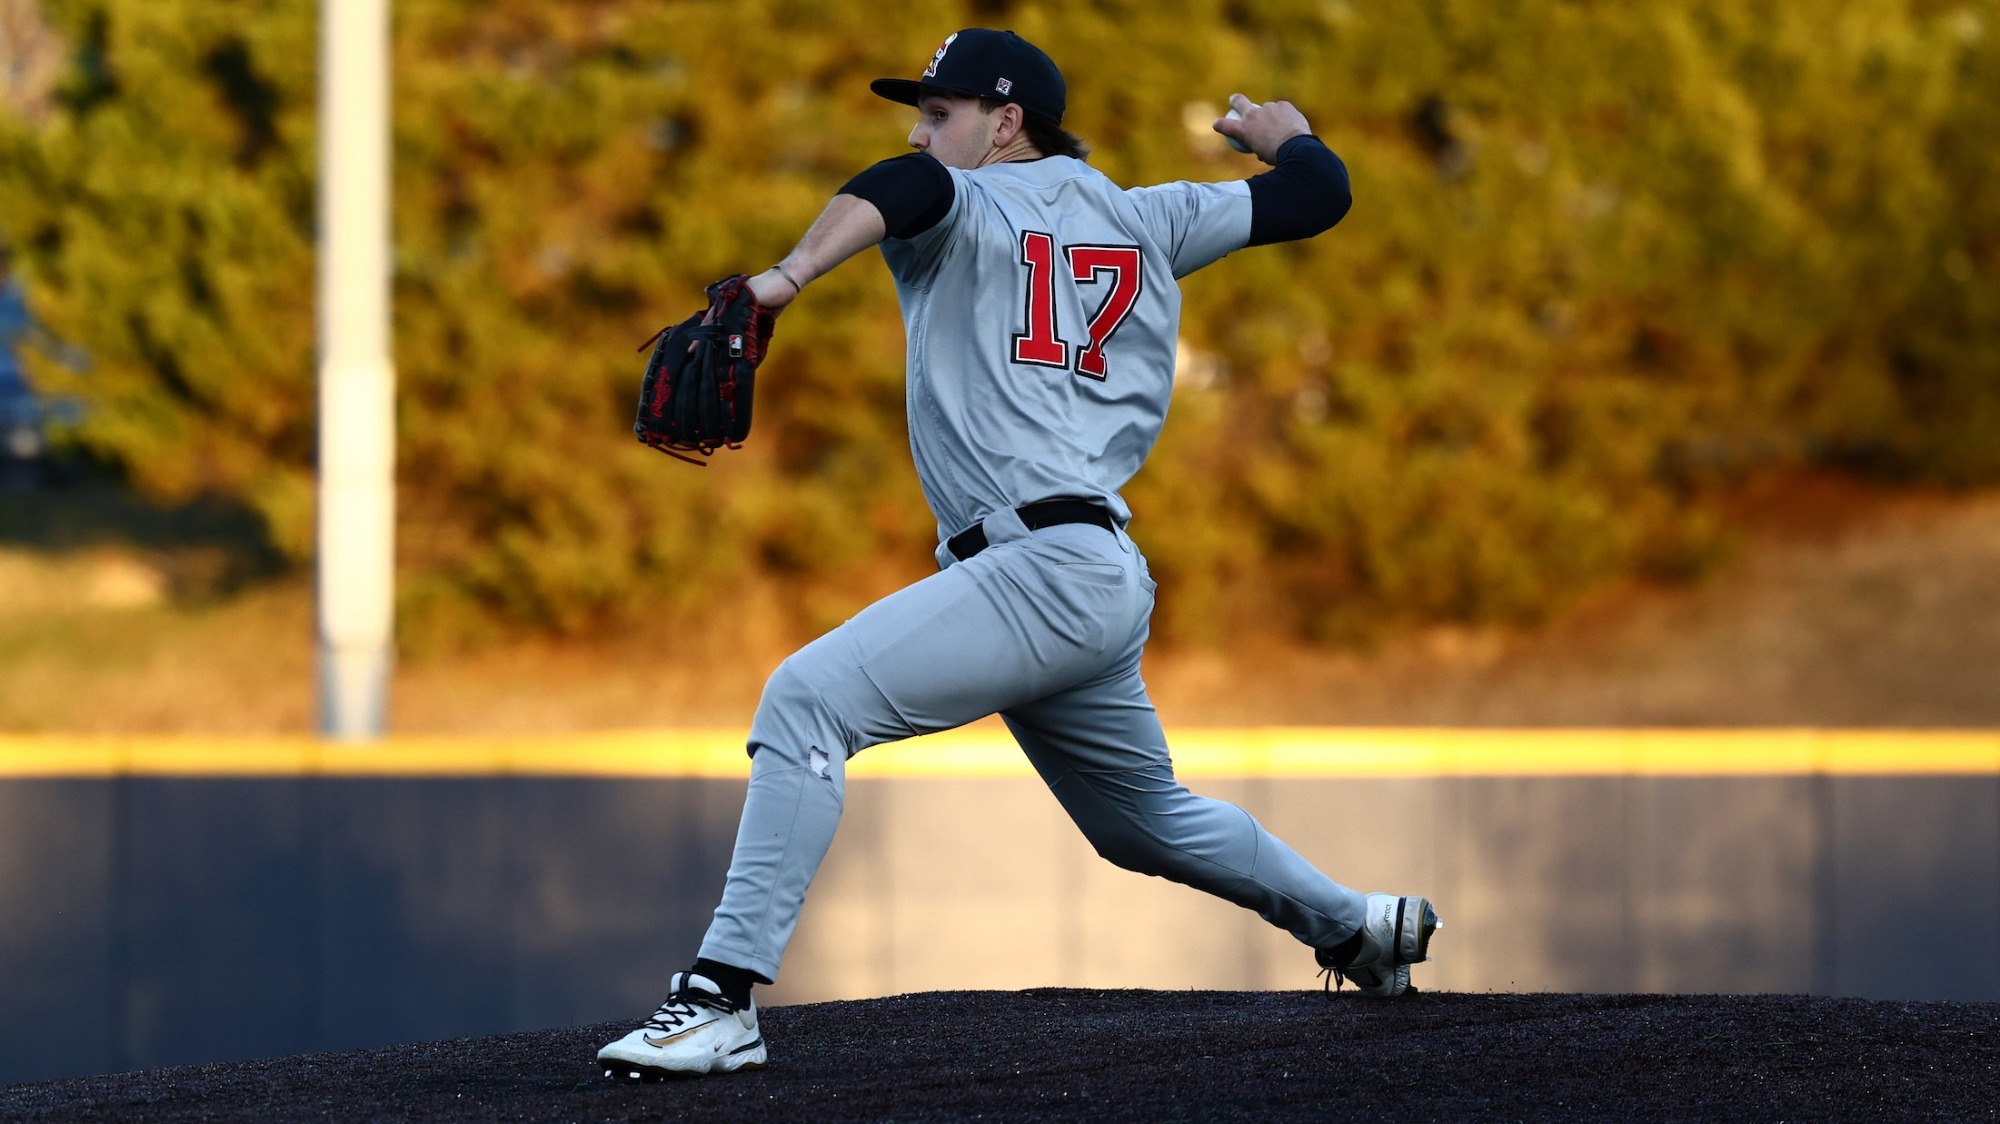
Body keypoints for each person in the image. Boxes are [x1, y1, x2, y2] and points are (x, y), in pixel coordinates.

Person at [598, 28, 1440, 1081]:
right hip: (1090, 569)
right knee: (1143, 824)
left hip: (1035, 569)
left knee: (805, 701)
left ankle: (717, 999)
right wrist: (1292, 139)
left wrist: (788, 274)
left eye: (939, 109)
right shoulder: (1150, 214)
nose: (920, 128)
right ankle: (1357, 923)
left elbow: (904, 188)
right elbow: (1316, 200)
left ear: (1004, 123)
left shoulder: (966, 198)